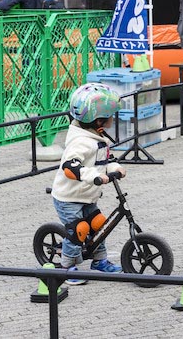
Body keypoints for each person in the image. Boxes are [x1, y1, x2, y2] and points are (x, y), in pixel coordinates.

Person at [51, 83, 127, 285]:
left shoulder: (98, 137)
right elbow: (70, 166)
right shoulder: (80, 142)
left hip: (86, 195)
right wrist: (92, 176)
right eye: (111, 115)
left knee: (99, 225)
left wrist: (114, 168)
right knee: (80, 230)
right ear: (98, 119)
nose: (113, 119)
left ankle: (99, 261)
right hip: (69, 197)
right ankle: (66, 268)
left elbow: (104, 160)